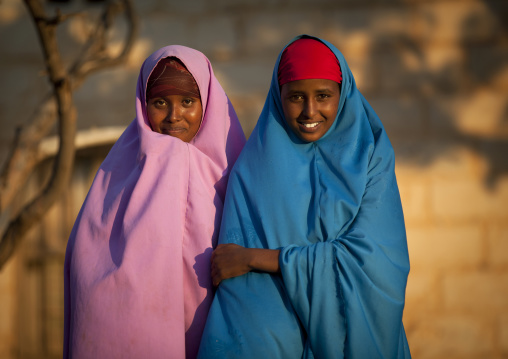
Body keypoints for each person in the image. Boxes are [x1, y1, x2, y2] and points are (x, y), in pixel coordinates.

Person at [198, 35, 411, 358]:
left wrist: (259, 258)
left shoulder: (371, 158)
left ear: (343, 94)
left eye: (323, 96)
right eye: (296, 97)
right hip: (274, 340)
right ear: (277, 96)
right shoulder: (252, 171)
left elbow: (374, 265)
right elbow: (239, 285)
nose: (309, 111)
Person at [63, 45, 246, 359]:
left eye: (188, 102)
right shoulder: (119, 170)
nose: (174, 116)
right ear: (143, 105)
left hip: (214, 328)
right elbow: (88, 259)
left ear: (208, 102)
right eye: (160, 102)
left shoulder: (234, 168)